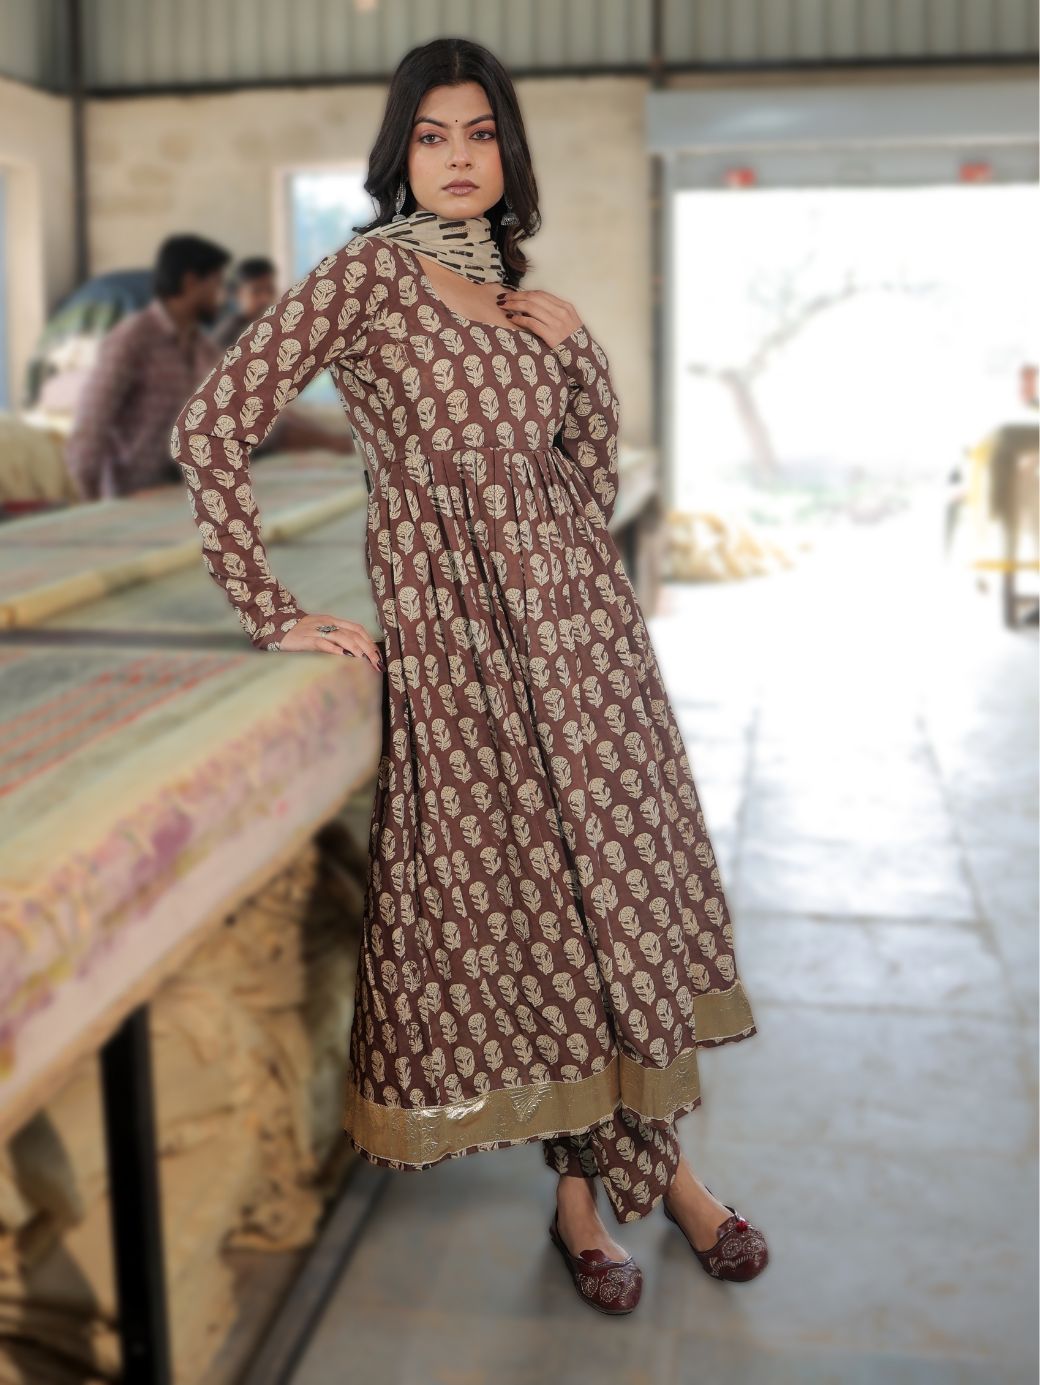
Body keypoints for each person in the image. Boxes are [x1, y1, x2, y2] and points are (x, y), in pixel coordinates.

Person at [170, 36, 768, 1315]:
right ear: (400, 153)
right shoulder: (367, 276)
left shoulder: (517, 292)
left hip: (587, 640)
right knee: (542, 909)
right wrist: (270, 607)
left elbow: (581, 486)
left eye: (479, 134)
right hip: (465, 646)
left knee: (622, 898)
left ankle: (657, 1175)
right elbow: (210, 425)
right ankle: (593, 1198)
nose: (456, 158)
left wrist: (579, 352)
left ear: (508, 151)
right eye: (431, 136)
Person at [67, 234, 229, 499]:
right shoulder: (133, 339)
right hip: (132, 500)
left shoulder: (202, 348)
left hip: (180, 496)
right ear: (190, 282)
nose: (221, 297)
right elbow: (92, 422)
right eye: (217, 284)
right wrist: (92, 504)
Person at [216, 255, 355, 455]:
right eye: (256, 291)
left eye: (269, 290)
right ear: (238, 295)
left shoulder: (267, 329)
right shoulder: (228, 336)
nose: (265, 298)